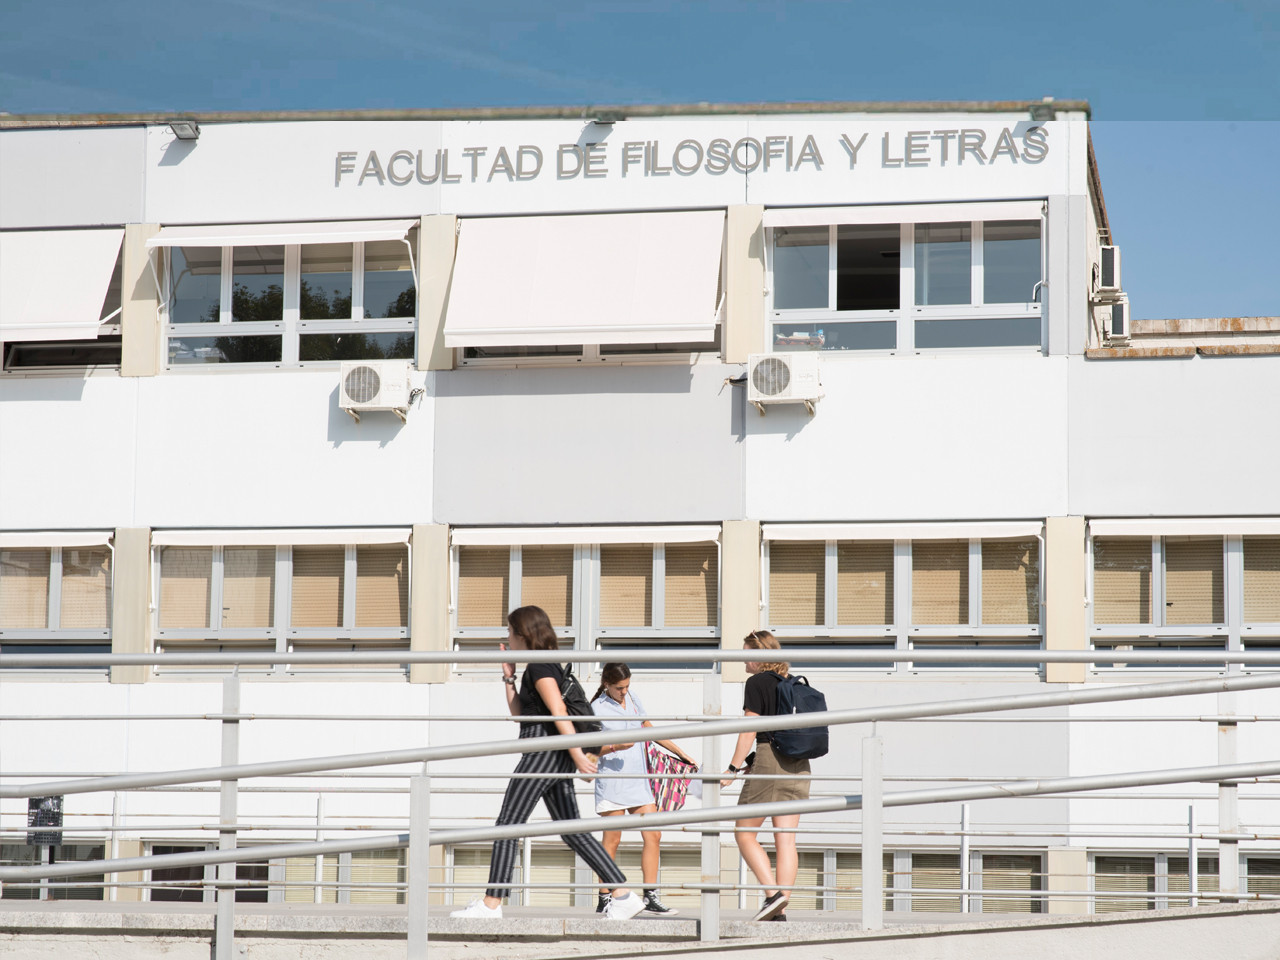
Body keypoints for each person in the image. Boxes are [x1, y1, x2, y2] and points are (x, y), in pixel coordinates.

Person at [449, 606, 644, 920]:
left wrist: (579, 753)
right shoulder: (539, 666)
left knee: (508, 824)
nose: (507, 638)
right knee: (572, 832)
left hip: (543, 755)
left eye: (510, 632)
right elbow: (520, 714)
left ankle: (490, 904)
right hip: (554, 754)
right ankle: (622, 894)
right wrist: (508, 677)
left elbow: (558, 711)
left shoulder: (541, 666)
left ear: (523, 634)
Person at [590, 662, 697, 917]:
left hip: (639, 780)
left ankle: (651, 897)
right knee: (612, 841)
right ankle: (605, 897)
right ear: (607, 684)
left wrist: (679, 752)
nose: (624, 692)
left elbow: (649, 729)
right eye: (619, 688)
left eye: (627, 686)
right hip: (613, 781)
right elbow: (589, 749)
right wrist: (616, 746)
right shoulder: (595, 709)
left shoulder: (633, 699)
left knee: (653, 835)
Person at [721, 631, 810, 922]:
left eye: (746, 652)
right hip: (799, 763)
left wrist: (732, 769)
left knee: (744, 832)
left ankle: (772, 896)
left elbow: (750, 729)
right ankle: (780, 911)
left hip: (770, 762)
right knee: (785, 839)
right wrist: (751, 761)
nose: (743, 659)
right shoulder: (790, 681)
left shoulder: (756, 682)